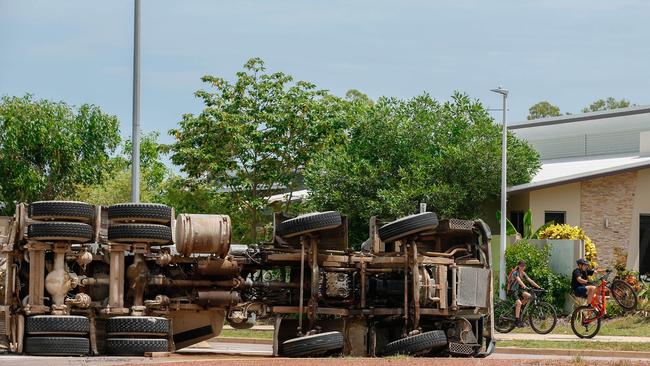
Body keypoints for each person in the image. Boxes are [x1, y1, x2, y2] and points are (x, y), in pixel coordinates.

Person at [507, 260, 541, 327]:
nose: (522, 267)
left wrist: (539, 287)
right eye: (521, 266)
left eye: (523, 266)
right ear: (519, 266)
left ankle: (519, 308)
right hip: (512, 290)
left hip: (518, 290)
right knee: (519, 303)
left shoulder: (523, 273)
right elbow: (519, 280)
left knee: (529, 296)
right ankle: (517, 321)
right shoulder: (515, 272)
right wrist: (524, 286)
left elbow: (530, 281)